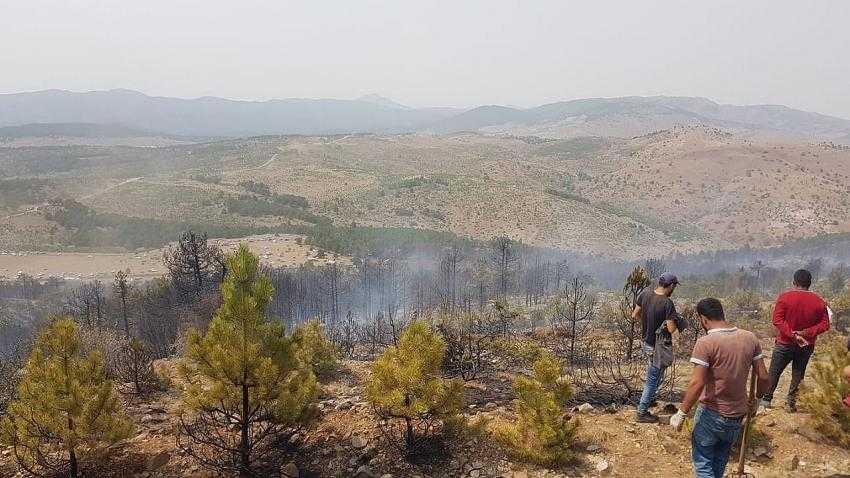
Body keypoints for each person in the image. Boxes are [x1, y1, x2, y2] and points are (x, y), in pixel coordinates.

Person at [670, 298, 769, 478]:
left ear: (703, 319)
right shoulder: (749, 338)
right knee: (720, 459)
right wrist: (758, 400)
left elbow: (697, 383)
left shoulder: (706, 342)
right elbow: (763, 376)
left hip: (711, 413)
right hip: (737, 415)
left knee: (703, 463)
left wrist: (682, 412)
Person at [761, 269, 830, 412]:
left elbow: (777, 320)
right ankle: (790, 404)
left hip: (785, 342)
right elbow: (825, 325)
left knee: (774, 371)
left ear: (794, 282)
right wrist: (805, 333)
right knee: (798, 373)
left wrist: (793, 335)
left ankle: (766, 400)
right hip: (806, 344)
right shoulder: (819, 301)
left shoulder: (785, 297)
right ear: (810, 283)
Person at [632, 272, 680, 422]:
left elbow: (635, 315)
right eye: (674, 286)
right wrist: (674, 323)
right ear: (671, 286)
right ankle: (642, 412)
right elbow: (672, 329)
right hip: (657, 347)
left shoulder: (644, 294)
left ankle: (648, 399)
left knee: (656, 376)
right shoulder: (667, 303)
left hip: (646, 343)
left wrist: (648, 323)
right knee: (653, 379)